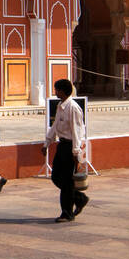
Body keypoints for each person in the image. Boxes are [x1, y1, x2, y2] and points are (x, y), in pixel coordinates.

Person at [44, 77, 88, 221]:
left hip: (70, 146)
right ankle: (79, 197)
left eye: (57, 89)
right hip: (62, 145)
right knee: (56, 177)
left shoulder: (73, 108)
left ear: (62, 91)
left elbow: (77, 131)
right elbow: (55, 126)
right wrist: (47, 143)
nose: (55, 92)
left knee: (67, 181)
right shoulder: (60, 106)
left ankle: (67, 213)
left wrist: (76, 152)